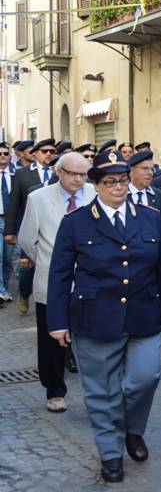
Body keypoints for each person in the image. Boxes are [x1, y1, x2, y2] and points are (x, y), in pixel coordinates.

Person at [46, 152, 161, 483]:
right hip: (94, 318)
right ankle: (110, 453)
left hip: (144, 314)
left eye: (122, 180)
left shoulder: (148, 217)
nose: (118, 187)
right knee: (100, 390)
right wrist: (57, 321)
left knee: (145, 377)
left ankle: (133, 429)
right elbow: (60, 275)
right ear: (96, 186)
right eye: (110, 182)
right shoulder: (75, 222)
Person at [19, 153, 96, 413]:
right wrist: (50, 261)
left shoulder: (95, 194)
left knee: (91, 338)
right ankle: (54, 390)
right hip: (52, 280)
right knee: (52, 339)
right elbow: (28, 239)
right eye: (72, 173)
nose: (78, 179)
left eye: (83, 174)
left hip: (90, 280)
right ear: (59, 172)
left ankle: (96, 393)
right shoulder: (38, 198)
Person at [6, 138, 58, 316]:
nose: (49, 154)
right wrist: (10, 230)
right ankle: (23, 292)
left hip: (53, 227)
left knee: (49, 264)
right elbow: (14, 203)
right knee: (27, 264)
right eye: (45, 151)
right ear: (35, 154)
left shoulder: (59, 173)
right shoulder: (22, 174)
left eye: (52, 151)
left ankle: (50, 299)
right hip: (30, 226)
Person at [127, 151, 161, 215]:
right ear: (131, 170)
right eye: (145, 168)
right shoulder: (122, 193)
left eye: (152, 169)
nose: (150, 173)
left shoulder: (158, 194)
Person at [0, 142, 16, 303]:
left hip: (11, 220)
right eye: (0, 154)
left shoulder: (16, 173)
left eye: (6, 153)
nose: (3, 156)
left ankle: (4, 287)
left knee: (8, 259)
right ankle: (1, 290)